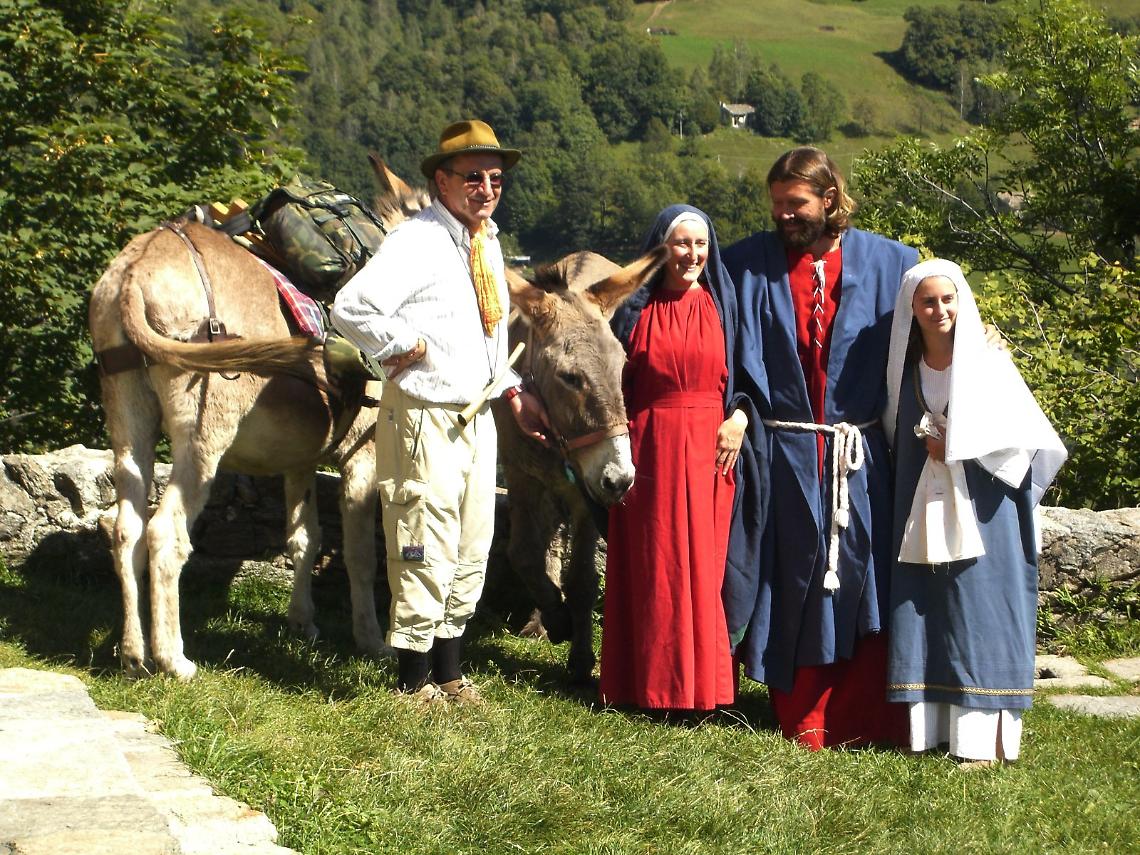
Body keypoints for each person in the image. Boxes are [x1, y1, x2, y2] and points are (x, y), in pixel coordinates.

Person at [330, 119, 548, 705]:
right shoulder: (418, 240)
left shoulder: (485, 241)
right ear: (441, 180)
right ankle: (411, 682)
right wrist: (403, 345)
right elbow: (351, 307)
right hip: (426, 413)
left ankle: (450, 675)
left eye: (495, 178)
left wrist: (511, 392)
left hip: (477, 417)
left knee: (471, 543)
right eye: (472, 177)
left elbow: (490, 336)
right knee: (422, 539)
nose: (486, 188)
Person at [720, 146, 917, 749]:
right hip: (785, 455)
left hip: (859, 456)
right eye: (777, 203)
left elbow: (938, 343)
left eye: (795, 203)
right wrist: (733, 411)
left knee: (861, 577)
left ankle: (865, 714)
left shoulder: (893, 265)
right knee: (796, 578)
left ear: (829, 199)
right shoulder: (746, 265)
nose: (782, 214)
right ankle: (804, 711)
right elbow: (688, 318)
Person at [883, 258, 1066, 766]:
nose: (938, 309)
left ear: (961, 301)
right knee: (928, 606)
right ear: (912, 309)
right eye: (927, 301)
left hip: (986, 506)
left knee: (979, 609)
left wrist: (961, 445)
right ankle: (932, 733)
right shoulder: (904, 370)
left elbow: (1028, 444)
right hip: (923, 501)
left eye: (947, 299)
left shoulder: (988, 362)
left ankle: (981, 741)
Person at [599, 205, 767, 712]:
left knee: (704, 567)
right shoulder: (633, 309)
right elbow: (609, 381)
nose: (692, 254)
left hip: (712, 452)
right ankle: (646, 685)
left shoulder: (724, 306)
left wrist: (738, 420)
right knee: (655, 564)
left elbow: (749, 377)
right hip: (649, 448)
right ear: (661, 249)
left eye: (700, 244)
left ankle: (705, 687)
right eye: (681, 243)